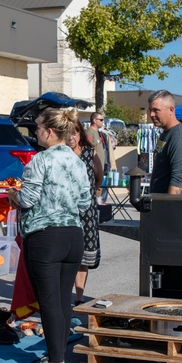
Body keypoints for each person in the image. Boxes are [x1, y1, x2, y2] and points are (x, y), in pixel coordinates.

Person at [8, 108, 91, 363]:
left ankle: (56, 362)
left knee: (49, 300)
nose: (35, 132)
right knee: (62, 299)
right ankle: (58, 355)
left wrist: (12, 195)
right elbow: (85, 203)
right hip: (72, 234)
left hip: (45, 235)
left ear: (50, 131)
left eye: (38, 128)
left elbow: (28, 199)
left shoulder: (39, 161)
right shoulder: (77, 161)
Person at [67, 120, 103, 305]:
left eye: (74, 133)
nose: (71, 137)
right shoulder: (62, 154)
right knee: (66, 255)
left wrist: (92, 193)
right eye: (67, 133)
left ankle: (79, 298)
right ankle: (65, 295)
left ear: (80, 133)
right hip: (66, 210)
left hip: (87, 210)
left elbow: (99, 175)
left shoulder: (90, 153)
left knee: (83, 257)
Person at [147, 90, 182, 195]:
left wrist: (168, 208)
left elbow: (177, 184)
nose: (151, 114)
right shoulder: (166, 134)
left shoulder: (178, 139)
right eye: (150, 110)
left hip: (175, 208)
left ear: (171, 110)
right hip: (160, 205)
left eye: (156, 110)